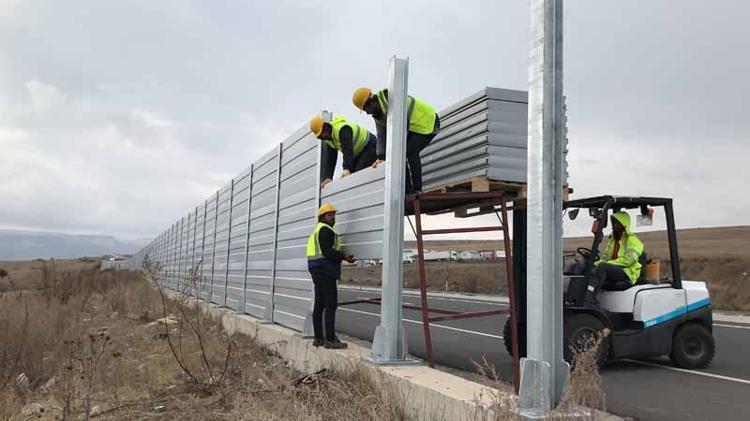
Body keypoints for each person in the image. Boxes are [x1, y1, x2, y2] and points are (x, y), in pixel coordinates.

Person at [351, 87, 440, 195]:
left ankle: (417, 189)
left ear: (371, 101)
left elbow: (403, 124)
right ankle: (407, 191)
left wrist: (396, 147)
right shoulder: (378, 113)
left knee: (409, 152)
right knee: (399, 154)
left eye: (366, 109)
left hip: (428, 122)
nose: (367, 113)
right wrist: (381, 157)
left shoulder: (393, 100)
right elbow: (381, 135)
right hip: (414, 127)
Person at [306, 203, 355, 349]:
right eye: (330, 215)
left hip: (317, 271)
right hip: (325, 271)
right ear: (323, 217)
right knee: (330, 305)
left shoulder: (317, 230)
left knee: (319, 305)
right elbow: (327, 252)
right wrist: (344, 257)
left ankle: (318, 338)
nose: (333, 217)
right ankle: (331, 339)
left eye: (334, 214)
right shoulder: (325, 230)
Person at [571, 211, 644, 306]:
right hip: (613, 269)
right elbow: (605, 258)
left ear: (624, 225)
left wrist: (607, 264)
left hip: (627, 272)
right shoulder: (613, 241)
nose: (614, 226)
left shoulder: (634, 241)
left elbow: (628, 261)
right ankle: (573, 296)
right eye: (613, 223)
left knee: (603, 267)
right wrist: (593, 264)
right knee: (581, 265)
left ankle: (589, 299)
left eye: (617, 223)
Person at [309, 115, 377, 189]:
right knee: (350, 179)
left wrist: (346, 168)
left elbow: (347, 150)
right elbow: (331, 159)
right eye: (320, 136)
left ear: (326, 127)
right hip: (358, 153)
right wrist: (328, 177)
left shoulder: (342, 129)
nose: (323, 136)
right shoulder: (329, 138)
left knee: (357, 175)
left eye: (322, 132)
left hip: (370, 145)